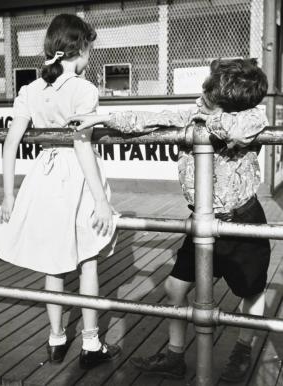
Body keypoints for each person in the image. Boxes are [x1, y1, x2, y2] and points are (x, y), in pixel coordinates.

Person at [66, 58, 270, 382]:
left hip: (240, 221)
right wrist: (102, 116)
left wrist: (203, 122)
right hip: (202, 218)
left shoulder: (251, 117)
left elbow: (238, 131)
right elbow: (152, 118)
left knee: (252, 290)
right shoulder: (198, 111)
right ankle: (175, 356)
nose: (203, 94)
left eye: (211, 90)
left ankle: (243, 349)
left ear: (228, 98)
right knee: (175, 288)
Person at [0, 14, 121, 369]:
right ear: (80, 48)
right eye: (89, 48)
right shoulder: (84, 90)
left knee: (52, 262)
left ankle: (56, 339)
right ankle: (91, 344)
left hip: (43, 177)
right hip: (77, 177)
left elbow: (10, 143)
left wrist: (10, 195)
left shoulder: (30, 90)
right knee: (87, 261)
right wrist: (102, 201)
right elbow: (82, 145)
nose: (90, 55)